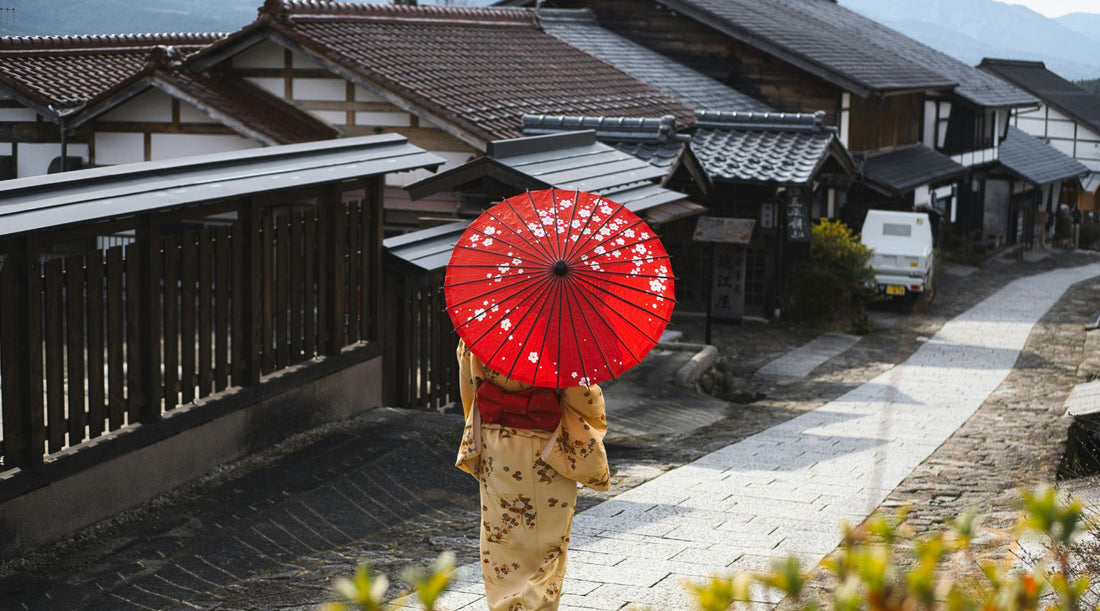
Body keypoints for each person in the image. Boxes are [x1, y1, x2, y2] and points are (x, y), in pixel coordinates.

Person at [455, 340, 609, 611]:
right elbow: (584, 398)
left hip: (497, 448)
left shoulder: (480, 330)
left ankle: (505, 606)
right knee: (548, 546)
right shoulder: (560, 338)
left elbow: (470, 386)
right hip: (547, 451)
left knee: (500, 539)